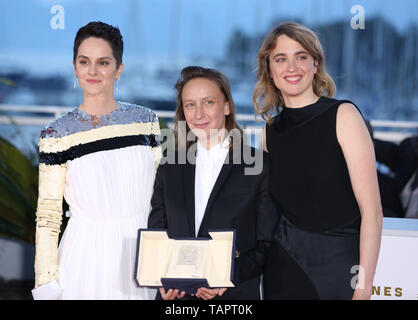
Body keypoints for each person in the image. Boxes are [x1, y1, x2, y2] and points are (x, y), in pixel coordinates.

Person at [253, 22, 383, 300]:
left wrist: (363, 288)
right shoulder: (269, 131)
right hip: (282, 269)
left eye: (301, 57)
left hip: (338, 269)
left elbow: (372, 212)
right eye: (280, 59)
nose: (292, 67)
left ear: (315, 64)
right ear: (270, 71)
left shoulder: (344, 115)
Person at [32, 21, 161, 300]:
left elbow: (160, 196)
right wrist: (44, 282)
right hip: (85, 259)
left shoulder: (145, 121)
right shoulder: (57, 133)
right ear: (75, 66)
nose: (92, 71)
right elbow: (49, 214)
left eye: (103, 62)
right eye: (84, 61)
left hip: (142, 254)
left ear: (119, 69)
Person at [148, 66, 278, 300]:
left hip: (233, 297)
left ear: (227, 106)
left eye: (208, 102)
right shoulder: (169, 167)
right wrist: (161, 279)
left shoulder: (259, 166)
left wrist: (227, 277)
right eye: (190, 104)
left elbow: (266, 244)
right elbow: (158, 234)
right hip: (176, 299)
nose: (198, 114)